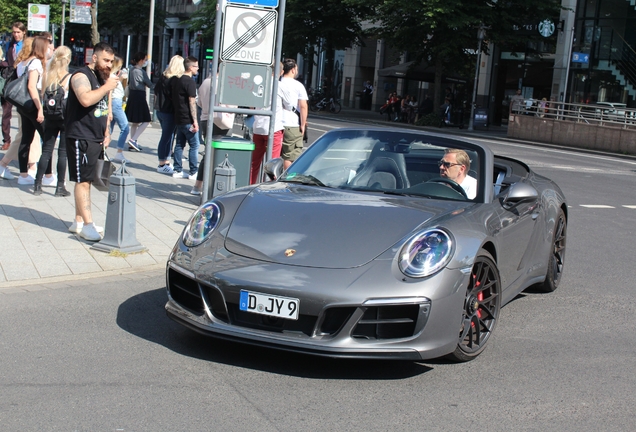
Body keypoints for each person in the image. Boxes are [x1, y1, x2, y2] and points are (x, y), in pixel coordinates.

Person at [65, 42, 119, 241]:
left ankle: (79, 220)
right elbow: (86, 100)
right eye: (106, 60)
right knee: (83, 181)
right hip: (81, 135)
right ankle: (87, 225)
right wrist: (107, 87)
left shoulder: (101, 76)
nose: (108, 65)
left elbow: (104, 108)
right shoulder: (81, 75)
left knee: (87, 178)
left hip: (95, 136)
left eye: (111, 62)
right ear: (94, 57)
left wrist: (106, 131)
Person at [34, 45, 73, 197]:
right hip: (64, 117)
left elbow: (41, 93)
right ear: (68, 60)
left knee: (46, 151)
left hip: (49, 116)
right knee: (62, 153)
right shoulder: (69, 77)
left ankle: (37, 185)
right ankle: (60, 187)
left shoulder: (47, 75)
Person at [15, 36, 49, 186]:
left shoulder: (24, 61)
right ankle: (48, 175)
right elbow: (31, 86)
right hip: (33, 104)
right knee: (47, 138)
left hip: (23, 105)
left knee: (26, 139)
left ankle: (23, 174)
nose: (49, 50)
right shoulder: (35, 63)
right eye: (48, 47)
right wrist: (40, 108)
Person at [250, 66, 284, 184]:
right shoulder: (279, 86)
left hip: (258, 127)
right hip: (274, 128)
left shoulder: (259, 84)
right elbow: (289, 105)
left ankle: (251, 185)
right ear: (281, 72)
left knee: (254, 163)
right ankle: (269, 188)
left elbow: (251, 106)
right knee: (272, 164)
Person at [154, 55, 184, 174]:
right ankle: (162, 163)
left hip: (160, 110)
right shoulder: (175, 80)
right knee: (167, 137)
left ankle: (165, 161)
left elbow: (156, 92)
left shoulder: (163, 77)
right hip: (169, 112)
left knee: (168, 136)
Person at [171, 55, 200, 179]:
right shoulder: (190, 82)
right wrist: (195, 121)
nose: (198, 69)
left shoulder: (178, 81)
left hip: (179, 118)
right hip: (188, 119)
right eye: (196, 67)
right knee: (194, 145)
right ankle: (194, 171)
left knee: (179, 144)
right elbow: (192, 102)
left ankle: (177, 170)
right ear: (191, 67)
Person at [278, 58, 308, 170]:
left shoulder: (278, 82)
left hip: (277, 122)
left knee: (275, 154)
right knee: (290, 156)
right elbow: (303, 106)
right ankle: (286, 180)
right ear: (293, 70)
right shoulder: (298, 85)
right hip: (292, 124)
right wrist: (303, 124)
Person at [1, 22, 26, 151]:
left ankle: (24, 138)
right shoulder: (10, 45)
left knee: (24, 112)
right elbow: (7, 60)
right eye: (14, 32)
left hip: (23, 81)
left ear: (23, 32)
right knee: (6, 112)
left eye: (18, 32)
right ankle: (6, 140)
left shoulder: (27, 45)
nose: (16, 34)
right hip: (10, 80)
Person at [125, 52, 153, 151]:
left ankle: (132, 142)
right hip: (139, 96)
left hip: (132, 95)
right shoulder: (141, 72)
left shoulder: (132, 70)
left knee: (135, 121)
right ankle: (133, 140)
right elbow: (149, 84)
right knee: (146, 119)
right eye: (145, 59)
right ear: (141, 60)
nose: (146, 61)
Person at [108, 56, 130, 163]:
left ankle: (103, 151)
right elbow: (111, 91)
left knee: (109, 129)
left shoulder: (112, 76)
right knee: (125, 127)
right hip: (115, 102)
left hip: (116, 102)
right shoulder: (112, 76)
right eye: (119, 66)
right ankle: (119, 152)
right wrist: (120, 79)